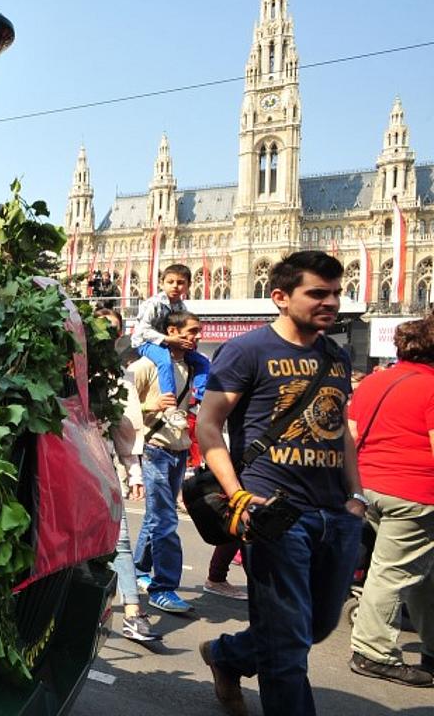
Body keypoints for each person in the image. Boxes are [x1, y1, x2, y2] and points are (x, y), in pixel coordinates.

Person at [195, 251, 363, 716]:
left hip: (336, 513)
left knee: (316, 624)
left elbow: (341, 429)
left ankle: (228, 655)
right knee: (289, 647)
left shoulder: (336, 355)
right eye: (317, 293)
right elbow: (208, 427)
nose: (331, 302)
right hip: (274, 514)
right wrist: (241, 497)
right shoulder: (247, 350)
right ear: (281, 298)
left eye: (335, 293)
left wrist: (357, 497)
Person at [346, 315, 434, 687]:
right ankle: (372, 651)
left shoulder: (374, 381)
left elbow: (350, 434)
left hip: (371, 485)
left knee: (420, 573)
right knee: (394, 572)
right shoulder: (431, 387)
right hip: (414, 492)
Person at [129, 310, 203, 614]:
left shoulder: (191, 367)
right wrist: (151, 404)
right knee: (165, 520)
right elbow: (121, 408)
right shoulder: (145, 365)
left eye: (198, 332)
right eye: (191, 331)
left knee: (155, 517)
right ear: (172, 330)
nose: (197, 337)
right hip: (155, 449)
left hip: (178, 450)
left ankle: (136, 570)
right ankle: (164, 587)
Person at [98, 308, 159, 642]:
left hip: (102, 467)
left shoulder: (120, 378)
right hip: (64, 469)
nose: (107, 335)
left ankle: (133, 612)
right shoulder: (64, 369)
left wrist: (134, 473)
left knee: (119, 537)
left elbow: (125, 429)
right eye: (101, 328)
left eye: (113, 329)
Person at [131, 264, 212, 406]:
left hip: (168, 343)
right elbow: (142, 330)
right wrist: (169, 339)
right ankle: (170, 400)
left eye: (180, 283)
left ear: (188, 286)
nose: (175, 286)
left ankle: (199, 397)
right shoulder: (153, 303)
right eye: (170, 282)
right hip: (146, 343)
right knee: (165, 360)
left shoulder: (181, 307)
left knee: (202, 362)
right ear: (162, 283)